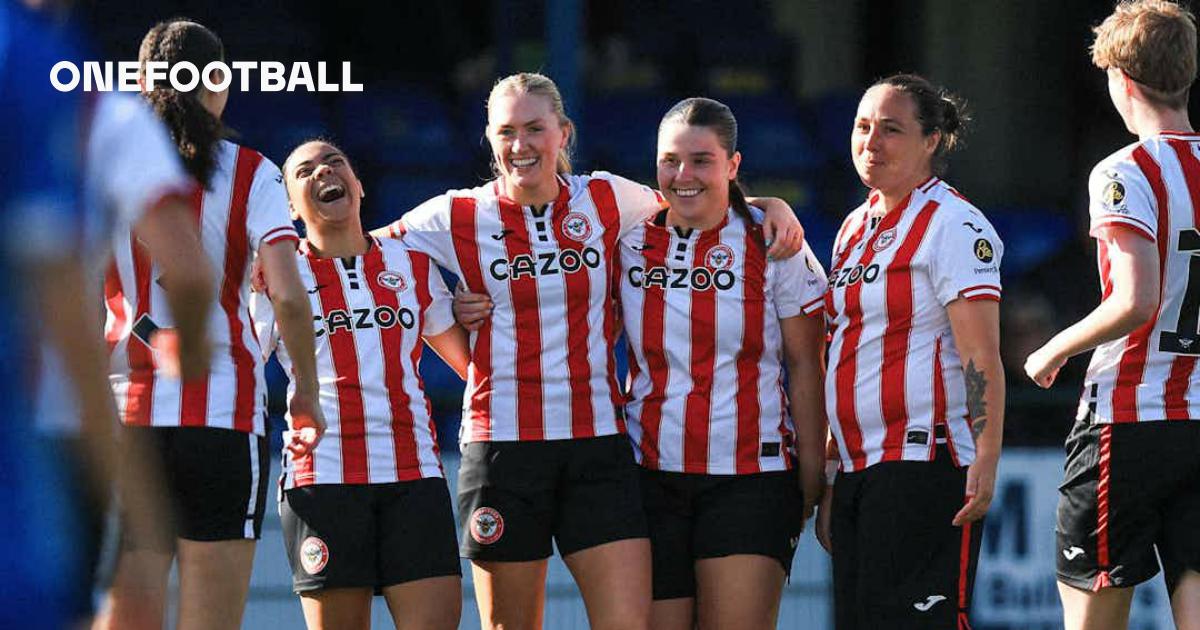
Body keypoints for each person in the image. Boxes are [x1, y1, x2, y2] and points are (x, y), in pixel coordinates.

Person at [374, 72, 804, 630]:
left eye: (535, 128)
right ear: (489, 138)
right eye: (506, 131)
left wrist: (773, 204)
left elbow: (696, 196)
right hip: (502, 446)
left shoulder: (606, 197)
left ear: (564, 132)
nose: (521, 144)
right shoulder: (457, 214)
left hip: (598, 445)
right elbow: (371, 250)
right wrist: (446, 320)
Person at [97, 19, 325, 630]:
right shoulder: (252, 172)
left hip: (128, 414)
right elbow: (289, 297)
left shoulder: (106, 169)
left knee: (126, 615)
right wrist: (305, 390)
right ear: (219, 84)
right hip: (224, 416)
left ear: (141, 83)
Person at [618, 97, 828, 629]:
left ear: (733, 165)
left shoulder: (776, 243)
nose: (683, 175)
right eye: (670, 161)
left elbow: (807, 363)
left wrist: (812, 474)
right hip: (647, 474)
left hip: (751, 478)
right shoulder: (626, 237)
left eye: (702, 161)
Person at [1025, 2, 1200, 628]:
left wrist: (1053, 348)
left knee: (1094, 615)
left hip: (1127, 421)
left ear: (1120, 80)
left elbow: (1135, 300)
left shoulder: (1125, 170)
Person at [814, 73, 1005, 629]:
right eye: (862, 127)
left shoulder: (953, 224)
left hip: (926, 464)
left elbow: (981, 354)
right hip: (859, 468)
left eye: (891, 129)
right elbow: (843, 348)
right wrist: (833, 476)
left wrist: (985, 458)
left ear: (931, 141)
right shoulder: (854, 226)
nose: (871, 142)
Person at [255, 139, 469, 630]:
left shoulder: (412, 265)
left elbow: (468, 365)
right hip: (322, 479)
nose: (323, 172)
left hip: (414, 477)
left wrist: (477, 311)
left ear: (359, 184)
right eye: (304, 171)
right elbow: (241, 362)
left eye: (335, 163)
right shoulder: (275, 276)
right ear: (290, 208)